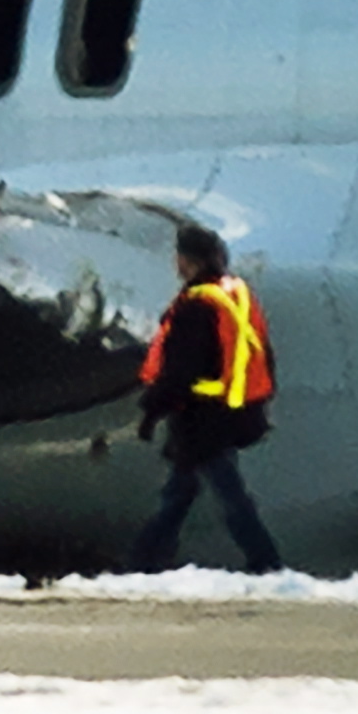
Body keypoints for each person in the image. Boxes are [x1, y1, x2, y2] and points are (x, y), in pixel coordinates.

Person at [125, 223, 285, 574]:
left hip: (201, 419)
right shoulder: (236, 295)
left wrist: (152, 411)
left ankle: (266, 563)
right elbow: (261, 353)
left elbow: (181, 369)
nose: (176, 263)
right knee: (181, 493)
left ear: (189, 261)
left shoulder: (196, 307)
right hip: (231, 412)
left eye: (180, 257)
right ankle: (145, 562)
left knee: (226, 497)